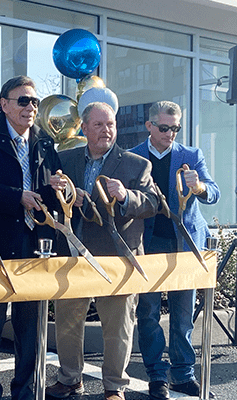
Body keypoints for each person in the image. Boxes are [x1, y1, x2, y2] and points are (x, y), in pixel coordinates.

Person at [46, 102, 159, 400]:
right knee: (68, 322)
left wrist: (125, 196)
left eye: (110, 124)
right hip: (73, 255)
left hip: (117, 258)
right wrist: (60, 191)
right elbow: (51, 200)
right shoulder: (65, 159)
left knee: (118, 326)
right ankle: (70, 379)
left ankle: (114, 388)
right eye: (98, 124)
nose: (106, 130)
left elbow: (152, 203)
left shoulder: (137, 164)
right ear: (84, 128)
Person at [0, 75, 64, 400]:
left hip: (36, 245)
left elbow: (49, 189)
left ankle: (25, 392)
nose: (31, 107)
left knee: (29, 327)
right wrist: (16, 196)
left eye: (34, 101)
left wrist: (58, 187)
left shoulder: (45, 142)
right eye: (23, 100)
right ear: (4, 104)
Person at [130, 101, 220, 400]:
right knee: (148, 314)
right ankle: (156, 375)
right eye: (165, 128)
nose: (170, 134)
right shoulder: (134, 156)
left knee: (183, 316)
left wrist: (200, 188)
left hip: (185, 244)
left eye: (175, 128)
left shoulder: (191, 155)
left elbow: (213, 192)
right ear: (150, 126)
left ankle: (183, 374)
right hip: (149, 244)